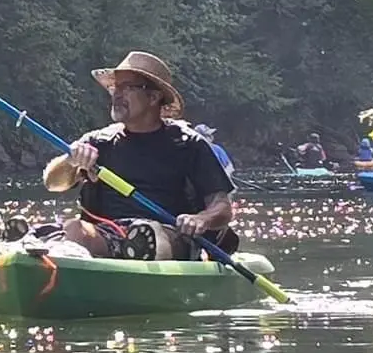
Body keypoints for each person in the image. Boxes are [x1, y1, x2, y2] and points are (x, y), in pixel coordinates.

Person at [43, 51, 236, 260]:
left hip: (169, 236)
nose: (117, 94)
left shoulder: (188, 144)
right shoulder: (99, 141)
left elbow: (222, 206)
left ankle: (141, 255)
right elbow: (53, 183)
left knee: (151, 234)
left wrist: (202, 219)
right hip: (109, 234)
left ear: (153, 97)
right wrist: (70, 161)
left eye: (127, 88)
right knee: (74, 228)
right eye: (115, 87)